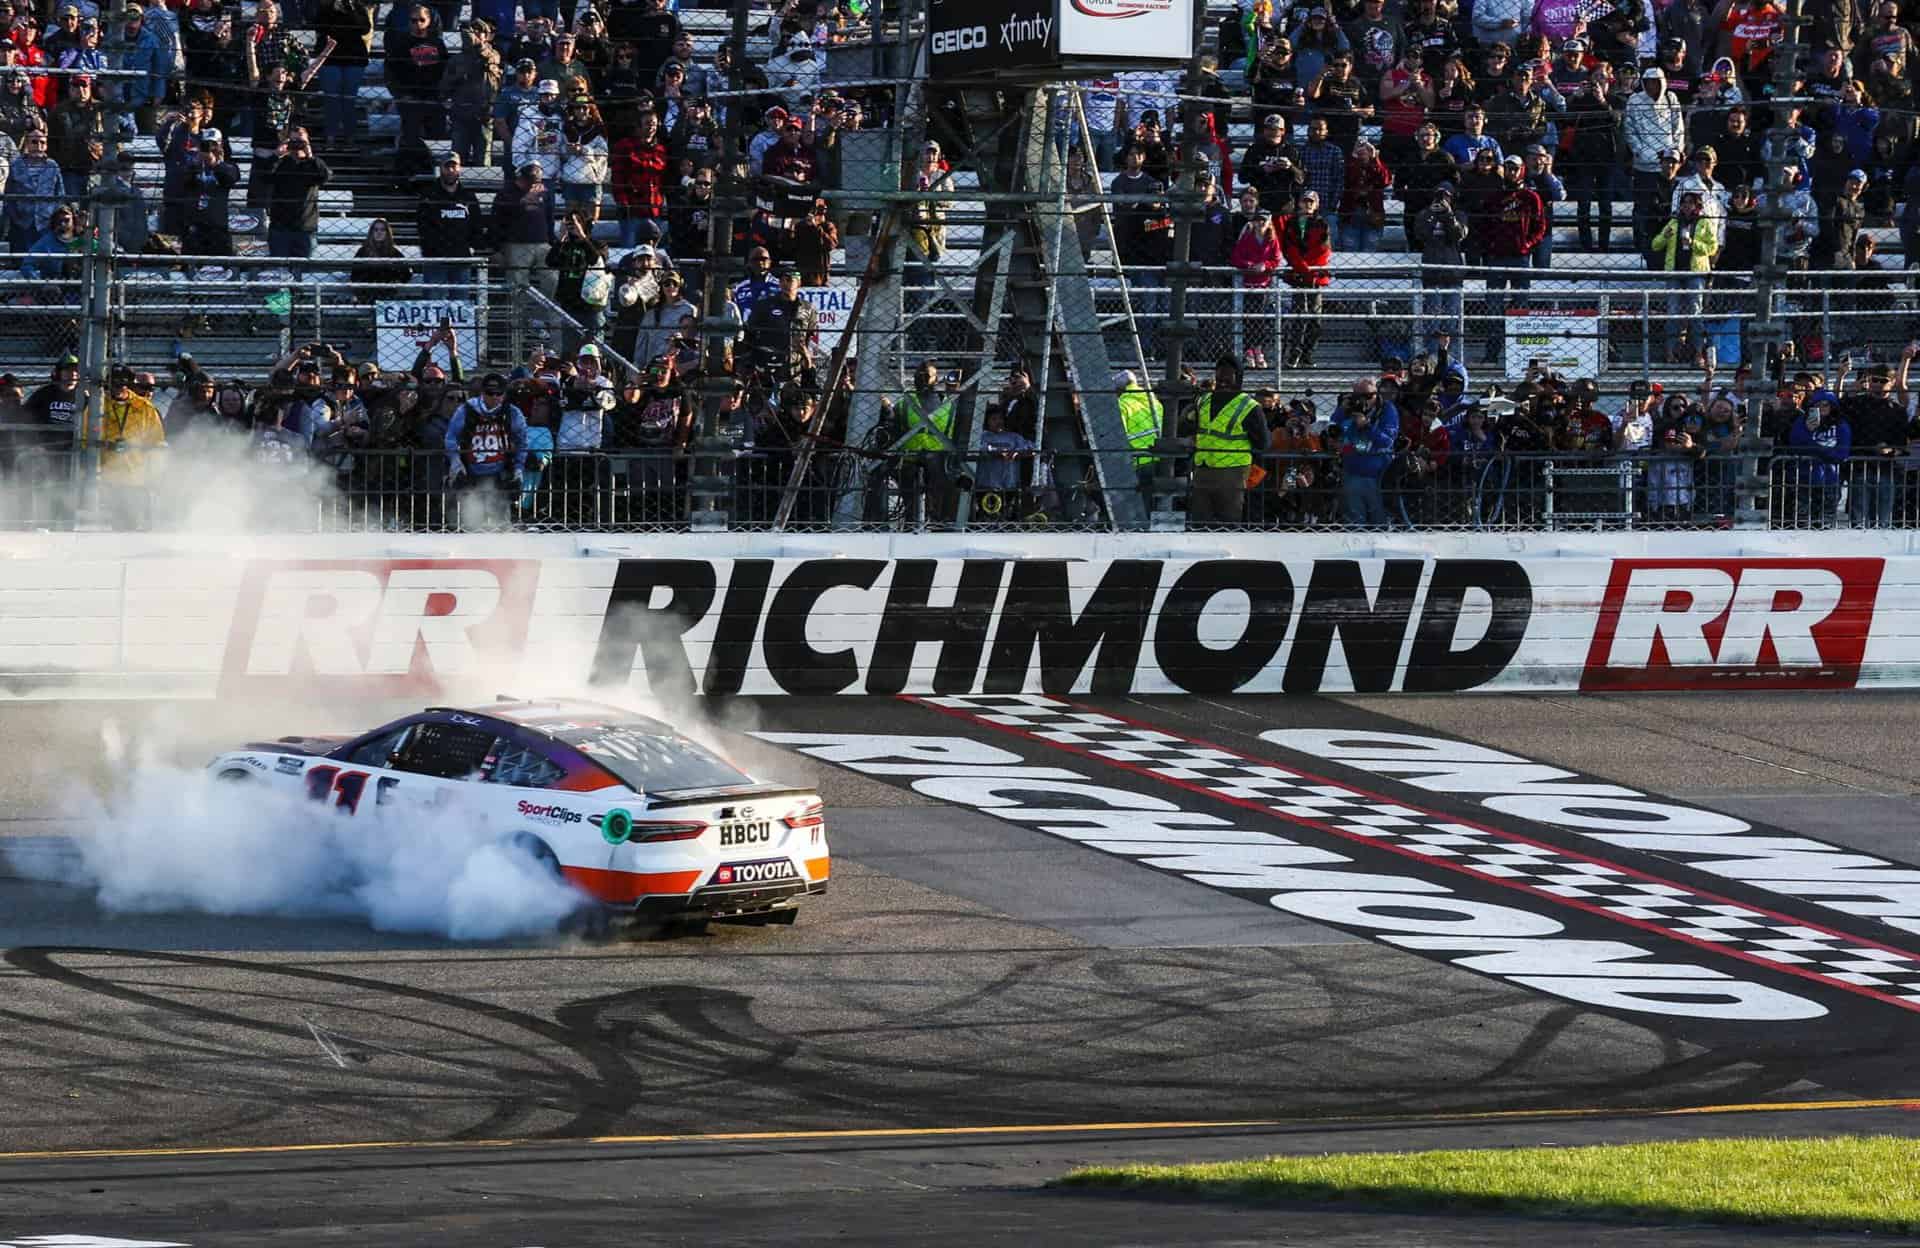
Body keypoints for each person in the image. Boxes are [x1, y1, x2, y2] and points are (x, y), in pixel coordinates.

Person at [1185, 354, 1267, 525]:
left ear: (1238, 378)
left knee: (1229, 523)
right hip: (1203, 469)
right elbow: (1191, 427)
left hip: (1232, 473)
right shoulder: (1204, 399)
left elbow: (1263, 443)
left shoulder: (1249, 407)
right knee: (1200, 522)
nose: (1222, 381)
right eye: (1219, 376)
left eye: (1227, 377)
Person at [1651, 189, 1718, 361]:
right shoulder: (1674, 222)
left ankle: (1698, 352)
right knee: (1673, 312)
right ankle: (1670, 352)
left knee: (1695, 312)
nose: (1687, 206)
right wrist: (1664, 236)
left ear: (1697, 205)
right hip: (1675, 272)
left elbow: (1712, 248)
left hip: (1696, 273)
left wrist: (1693, 243)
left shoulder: (1704, 223)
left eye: (1691, 202)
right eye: (1684, 202)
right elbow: (1655, 245)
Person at [98, 365, 166, 530]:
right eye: (116, 382)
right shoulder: (98, 405)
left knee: (134, 526)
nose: (121, 386)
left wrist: (155, 475)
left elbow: (157, 442)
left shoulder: (145, 407)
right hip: (105, 476)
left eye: (125, 382)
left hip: (136, 477)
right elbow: (86, 437)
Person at [445, 371, 529, 501]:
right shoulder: (466, 410)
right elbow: (451, 438)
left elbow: (522, 441)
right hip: (470, 471)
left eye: (499, 393)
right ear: (482, 393)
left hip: (500, 473)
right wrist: (456, 463)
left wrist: (518, 469)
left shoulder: (512, 412)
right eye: (490, 393)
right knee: (468, 515)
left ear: (504, 394)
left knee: (500, 517)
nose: (494, 397)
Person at [1332, 376, 1400, 526]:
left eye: (1369, 395)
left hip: (1379, 476)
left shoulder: (1387, 409)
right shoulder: (1347, 408)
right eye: (1359, 396)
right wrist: (1341, 410)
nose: (1365, 400)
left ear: (1376, 394)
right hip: (1352, 472)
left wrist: (1366, 426)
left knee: (1380, 523)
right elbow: (1332, 430)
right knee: (1356, 524)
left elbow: (1387, 441)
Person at [416, 153, 485, 294]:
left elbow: (477, 225)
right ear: (440, 168)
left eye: (454, 167)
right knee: (434, 303)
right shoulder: (429, 195)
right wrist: (432, 248)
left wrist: (471, 247)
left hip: (461, 257)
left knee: (461, 303)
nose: (451, 171)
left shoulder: (468, 196)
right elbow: (423, 226)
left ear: (460, 168)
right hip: (435, 258)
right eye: (447, 167)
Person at [1278, 188, 1332, 368]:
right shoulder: (1291, 223)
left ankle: (1308, 353)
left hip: (1313, 276)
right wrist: (1304, 270)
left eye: (1311, 202)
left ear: (1316, 205)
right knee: (1300, 316)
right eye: (1305, 201)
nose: (1307, 205)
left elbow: (1322, 250)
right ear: (1299, 203)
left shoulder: (1322, 223)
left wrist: (1306, 271)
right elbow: (1289, 249)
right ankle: (1295, 353)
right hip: (1301, 276)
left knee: (1315, 317)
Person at [263, 127, 331, 259]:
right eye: (293, 140)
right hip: (280, 227)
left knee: (304, 271)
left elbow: (326, 176)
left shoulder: (313, 164)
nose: (296, 144)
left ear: (308, 142)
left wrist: (310, 156)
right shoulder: (281, 162)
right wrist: (277, 155)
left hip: (305, 228)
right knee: (279, 270)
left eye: (300, 141)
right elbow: (264, 177)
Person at [1231, 207, 1282, 370]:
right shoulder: (1247, 237)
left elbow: (1276, 259)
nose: (1260, 223)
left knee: (1260, 319)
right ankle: (1249, 351)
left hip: (1264, 285)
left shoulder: (1272, 239)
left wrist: (1265, 266)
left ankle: (1258, 350)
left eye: (1263, 220)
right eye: (1257, 220)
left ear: (1268, 223)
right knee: (1248, 318)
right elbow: (1236, 257)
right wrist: (1249, 265)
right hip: (1248, 284)